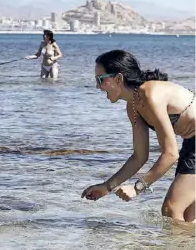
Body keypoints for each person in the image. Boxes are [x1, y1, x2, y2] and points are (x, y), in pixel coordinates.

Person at [81, 50, 195, 223]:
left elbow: (170, 154)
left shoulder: (150, 95)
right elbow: (139, 156)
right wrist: (107, 186)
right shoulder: (133, 107)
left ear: (118, 78)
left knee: (172, 208)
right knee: (187, 216)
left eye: (100, 79)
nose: (97, 86)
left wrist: (138, 187)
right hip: (191, 143)